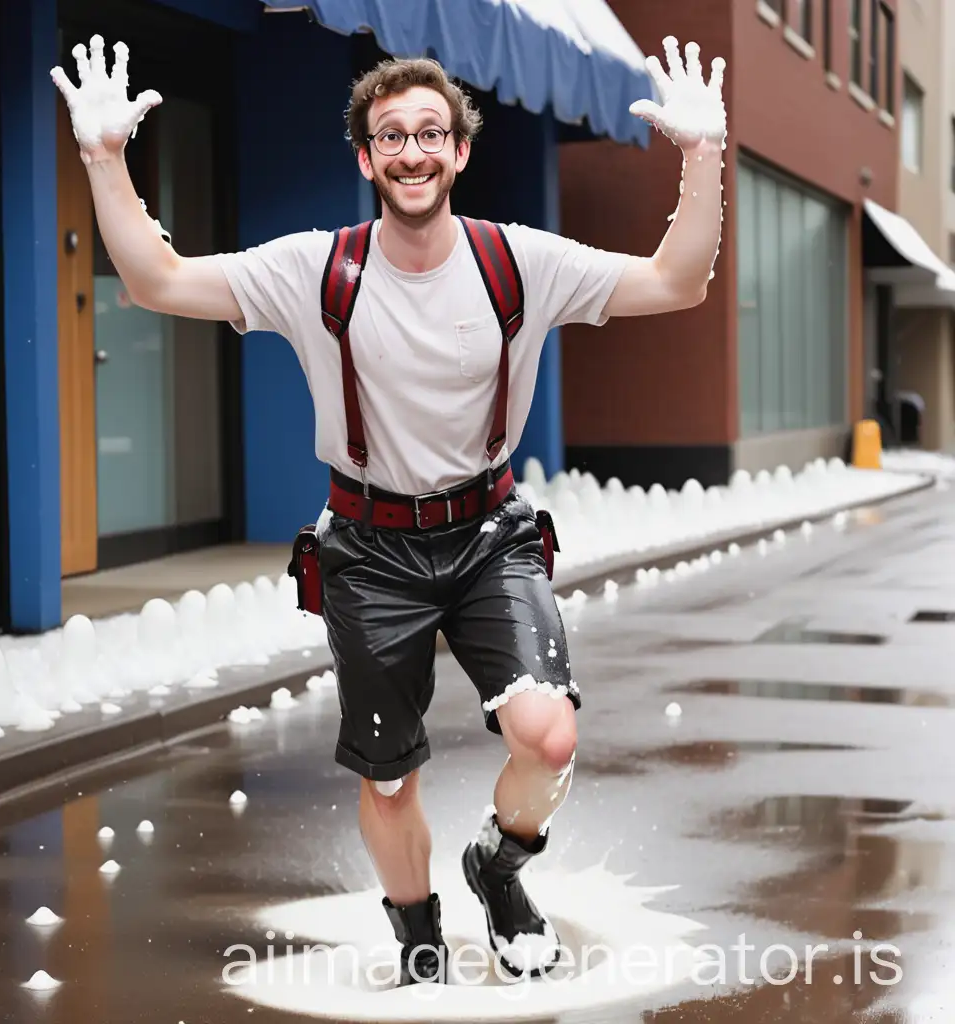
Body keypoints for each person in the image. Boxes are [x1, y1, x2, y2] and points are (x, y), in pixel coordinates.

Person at [52, 33, 726, 987]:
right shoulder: (315, 269)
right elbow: (160, 280)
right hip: (368, 550)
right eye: (391, 137)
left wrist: (702, 158)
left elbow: (677, 281)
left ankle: (500, 869)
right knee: (388, 774)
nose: (413, 151)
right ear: (366, 158)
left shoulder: (517, 263)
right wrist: (104, 159)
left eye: (431, 133)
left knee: (551, 733)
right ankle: (416, 925)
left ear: (458, 151)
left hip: (491, 535)